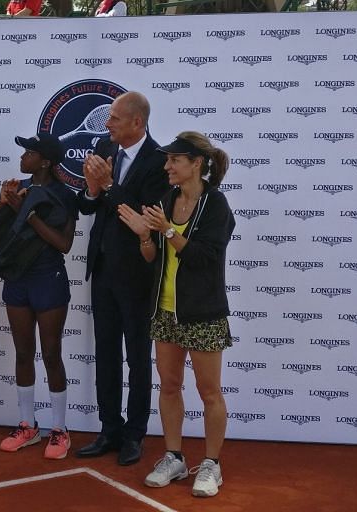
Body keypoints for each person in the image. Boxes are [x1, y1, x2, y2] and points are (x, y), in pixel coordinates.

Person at [118, 132, 235, 497]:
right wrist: (143, 237)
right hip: (164, 310)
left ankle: (212, 464)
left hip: (202, 312)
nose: (166, 166)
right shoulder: (166, 199)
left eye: (174, 160)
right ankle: (174, 457)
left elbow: (203, 258)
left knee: (209, 391)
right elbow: (155, 259)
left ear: (196, 164)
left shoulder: (216, 205)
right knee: (169, 386)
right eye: (167, 160)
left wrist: (166, 230)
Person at [75, 91, 169, 465]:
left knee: (137, 358)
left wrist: (110, 187)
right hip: (102, 269)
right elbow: (86, 205)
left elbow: (142, 216)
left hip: (137, 273)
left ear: (137, 123)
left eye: (114, 118)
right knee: (106, 354)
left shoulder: (159, 161)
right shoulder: (104, 148)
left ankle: (135, 434)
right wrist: (94, 188)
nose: (106, 124)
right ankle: (109, 429)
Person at [0, 134, 77, 460]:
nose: (22, 157)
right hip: (18, 278)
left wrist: (28, 213)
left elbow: (64, 243)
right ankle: (27, 425)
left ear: (44, 161)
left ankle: (59, 429)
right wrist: (3, 203)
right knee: (22, 352)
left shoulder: (64, 195)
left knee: (52, 353)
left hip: (49, 278)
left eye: (29, 153)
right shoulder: (18, 188)